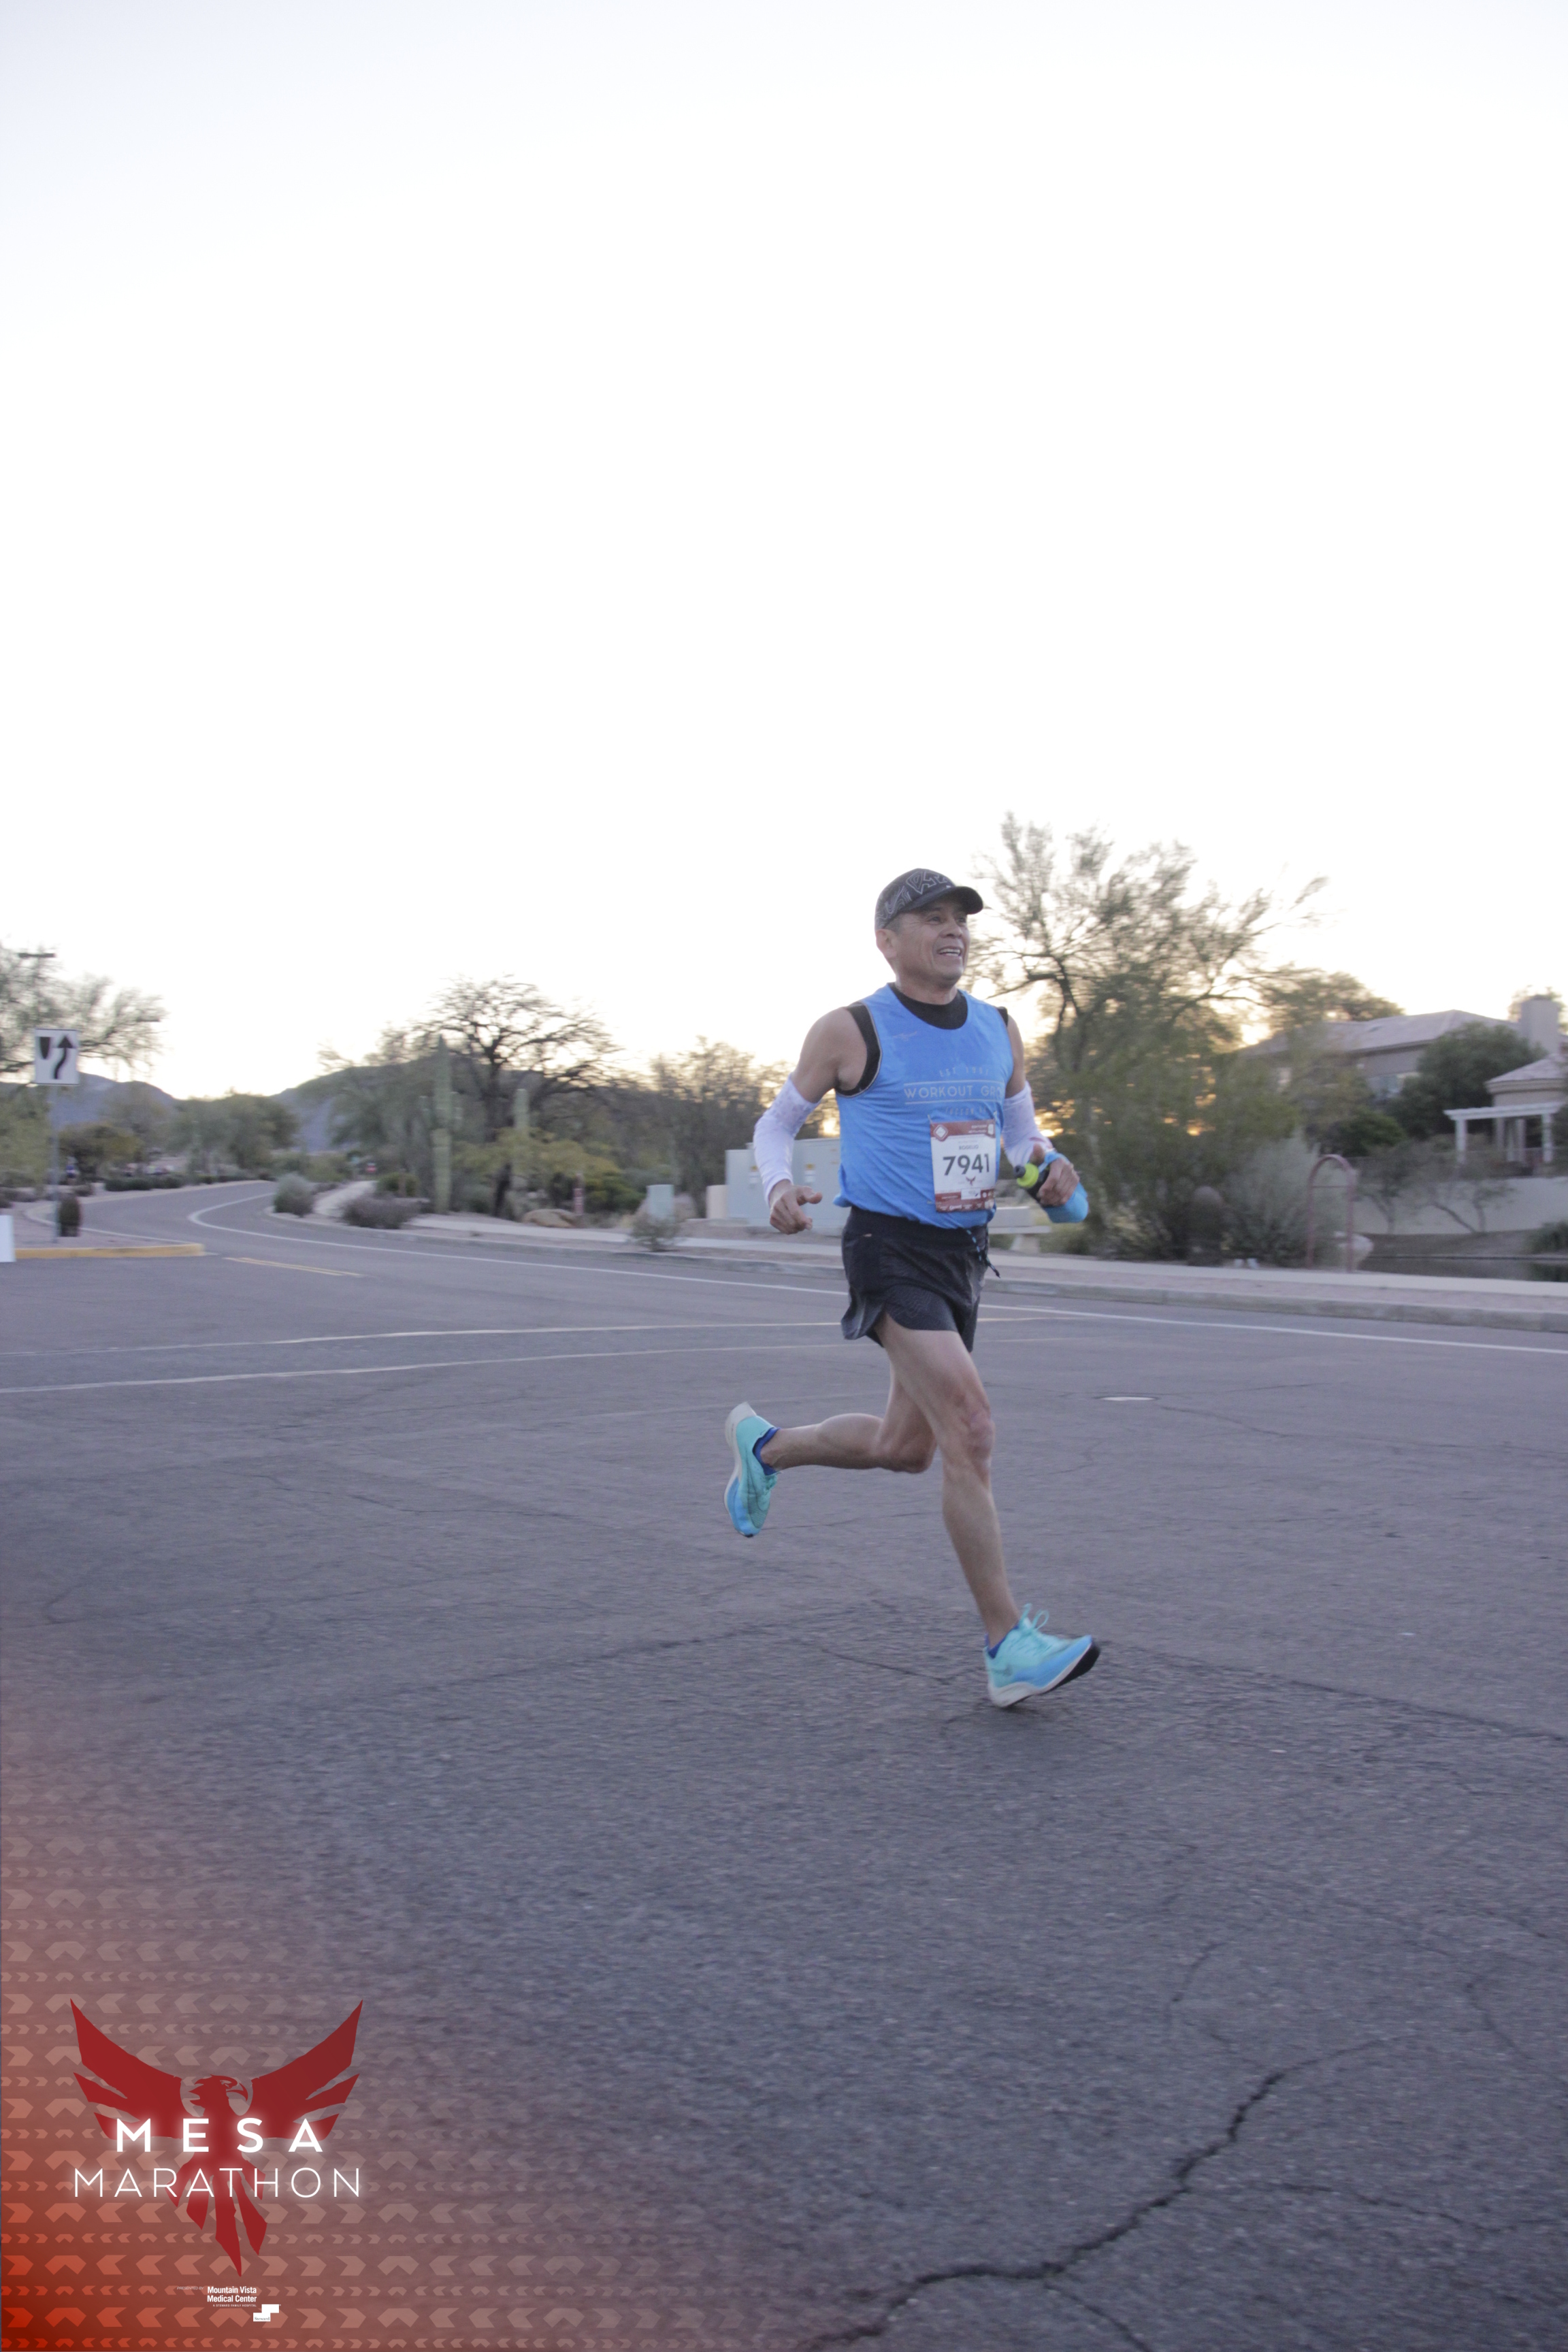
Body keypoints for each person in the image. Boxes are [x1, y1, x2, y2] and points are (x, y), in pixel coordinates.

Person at [723, 867, 1100, 1707]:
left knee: (908, 1449)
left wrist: (1047, 1168)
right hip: (888, 1249)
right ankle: (1007, 1645)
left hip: (963, 1255)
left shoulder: (999, 1029)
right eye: (930, 918)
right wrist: (778, 1186)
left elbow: (1019, 1137)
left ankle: (766, 1449)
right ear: (887, 940)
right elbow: (776, 1123)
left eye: (959, 917)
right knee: (972, 1426)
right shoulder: (851, 1029)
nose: (951, 929)